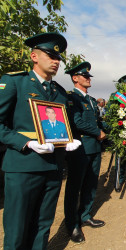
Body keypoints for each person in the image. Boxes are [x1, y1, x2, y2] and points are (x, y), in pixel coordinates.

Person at [0, 32, 81, 249]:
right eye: (50, 56)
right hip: (23, 166)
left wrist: (68, 140)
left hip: (53, 167)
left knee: (43, 224)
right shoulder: (15, 82)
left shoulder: (60, 93)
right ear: (34, 56)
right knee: (17, 227)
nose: (56, 61)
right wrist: (25, 142)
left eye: (59, 58)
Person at [64, 61, 108, 243]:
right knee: (75, 187)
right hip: (80, 148)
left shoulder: (90, 100)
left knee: (91, 184)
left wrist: (112, 128)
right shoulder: (70, 97)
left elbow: (97, 121)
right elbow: (76, 122)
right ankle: (72, 224)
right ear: (75, 78)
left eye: (89, 76)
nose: (89, 79)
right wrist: (98, 132)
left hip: (95, 148)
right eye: (85, 76)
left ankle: (85, 215)